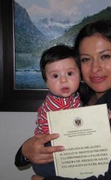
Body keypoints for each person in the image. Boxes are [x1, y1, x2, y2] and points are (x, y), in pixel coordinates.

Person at [15, 20, 111, 180]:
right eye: (86, 59)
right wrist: (25, 151)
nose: (95, 68)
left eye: (105, 56)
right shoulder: (76, 99)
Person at [32, 44, 83, 177]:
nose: (64, 79)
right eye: (55, 76)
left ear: (80, 76)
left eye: (70, 73)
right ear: (46, 82)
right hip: (49, 148)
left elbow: (83, 116)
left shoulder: (74, 97)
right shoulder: (54, 105)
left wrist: (100, 115)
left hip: (67, 145)